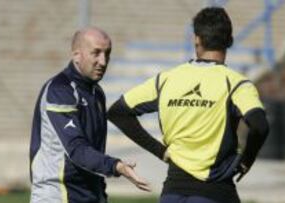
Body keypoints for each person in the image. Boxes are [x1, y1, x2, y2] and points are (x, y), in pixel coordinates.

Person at [108, 7, 269, 203]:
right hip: (215, 192)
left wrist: (160, 151)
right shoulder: (236, 84)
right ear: (229, 41)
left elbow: (118, 112)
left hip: (172, 193)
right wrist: (246, 161)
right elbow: (260, 125)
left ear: (196, 39)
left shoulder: (166, 79)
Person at [29, 27, 150, 203]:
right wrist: (117, 166)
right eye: (96, 53)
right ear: (76, 55)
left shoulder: (97, 93)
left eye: (107, 53)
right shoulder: (59, 90)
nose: (103, 61)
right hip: (57, 195)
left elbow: (94, 150)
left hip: (88, 195)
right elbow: (77, 149)